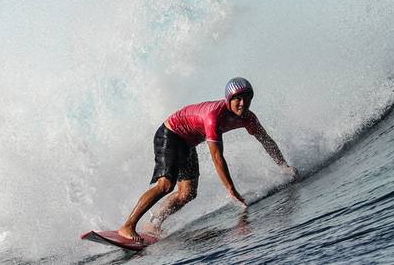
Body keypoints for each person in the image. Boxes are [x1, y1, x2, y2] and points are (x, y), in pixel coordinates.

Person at [116, 77, 297, 242]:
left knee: (187, 193)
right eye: (237, 99)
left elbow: (266, 141)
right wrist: (231, 189)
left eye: (247, 98)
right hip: (170, 135)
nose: (243, 103)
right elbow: (217, 157)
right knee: (166, 185)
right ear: (228, 100)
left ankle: (154, 223)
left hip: (187, 143)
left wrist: (284, 166)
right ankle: (128, 226)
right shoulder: (214, 116)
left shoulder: (248, 118)